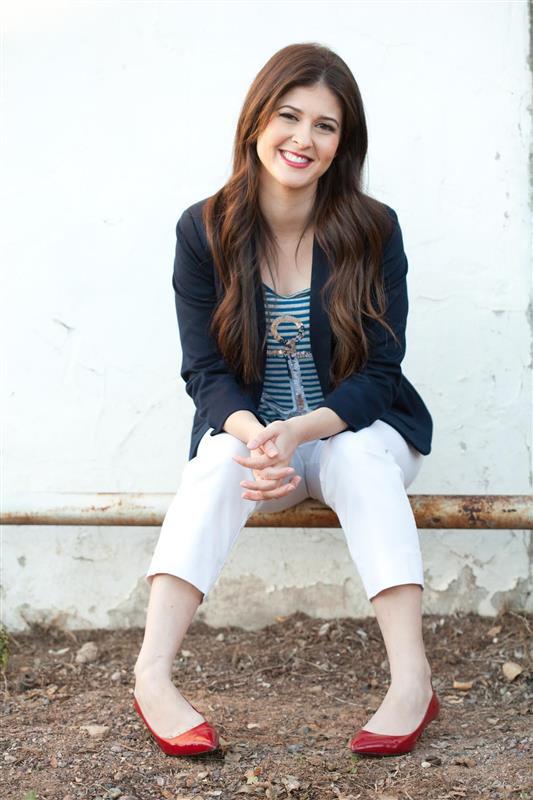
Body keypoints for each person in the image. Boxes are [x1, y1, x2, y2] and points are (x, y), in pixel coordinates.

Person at [133, 41, 439, 758]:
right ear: (256, 121)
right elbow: (204, 371)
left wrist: (299, 431)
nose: (303, 139)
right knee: (216, 462)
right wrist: (258, 436)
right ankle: (151, 675)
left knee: (358, 458)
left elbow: (380, 371)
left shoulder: (373, 229)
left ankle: (412, 681)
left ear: (342, 144)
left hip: (356, 431)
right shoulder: (203, 230)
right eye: (289, 116)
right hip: (257, 442)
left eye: (325, 125)